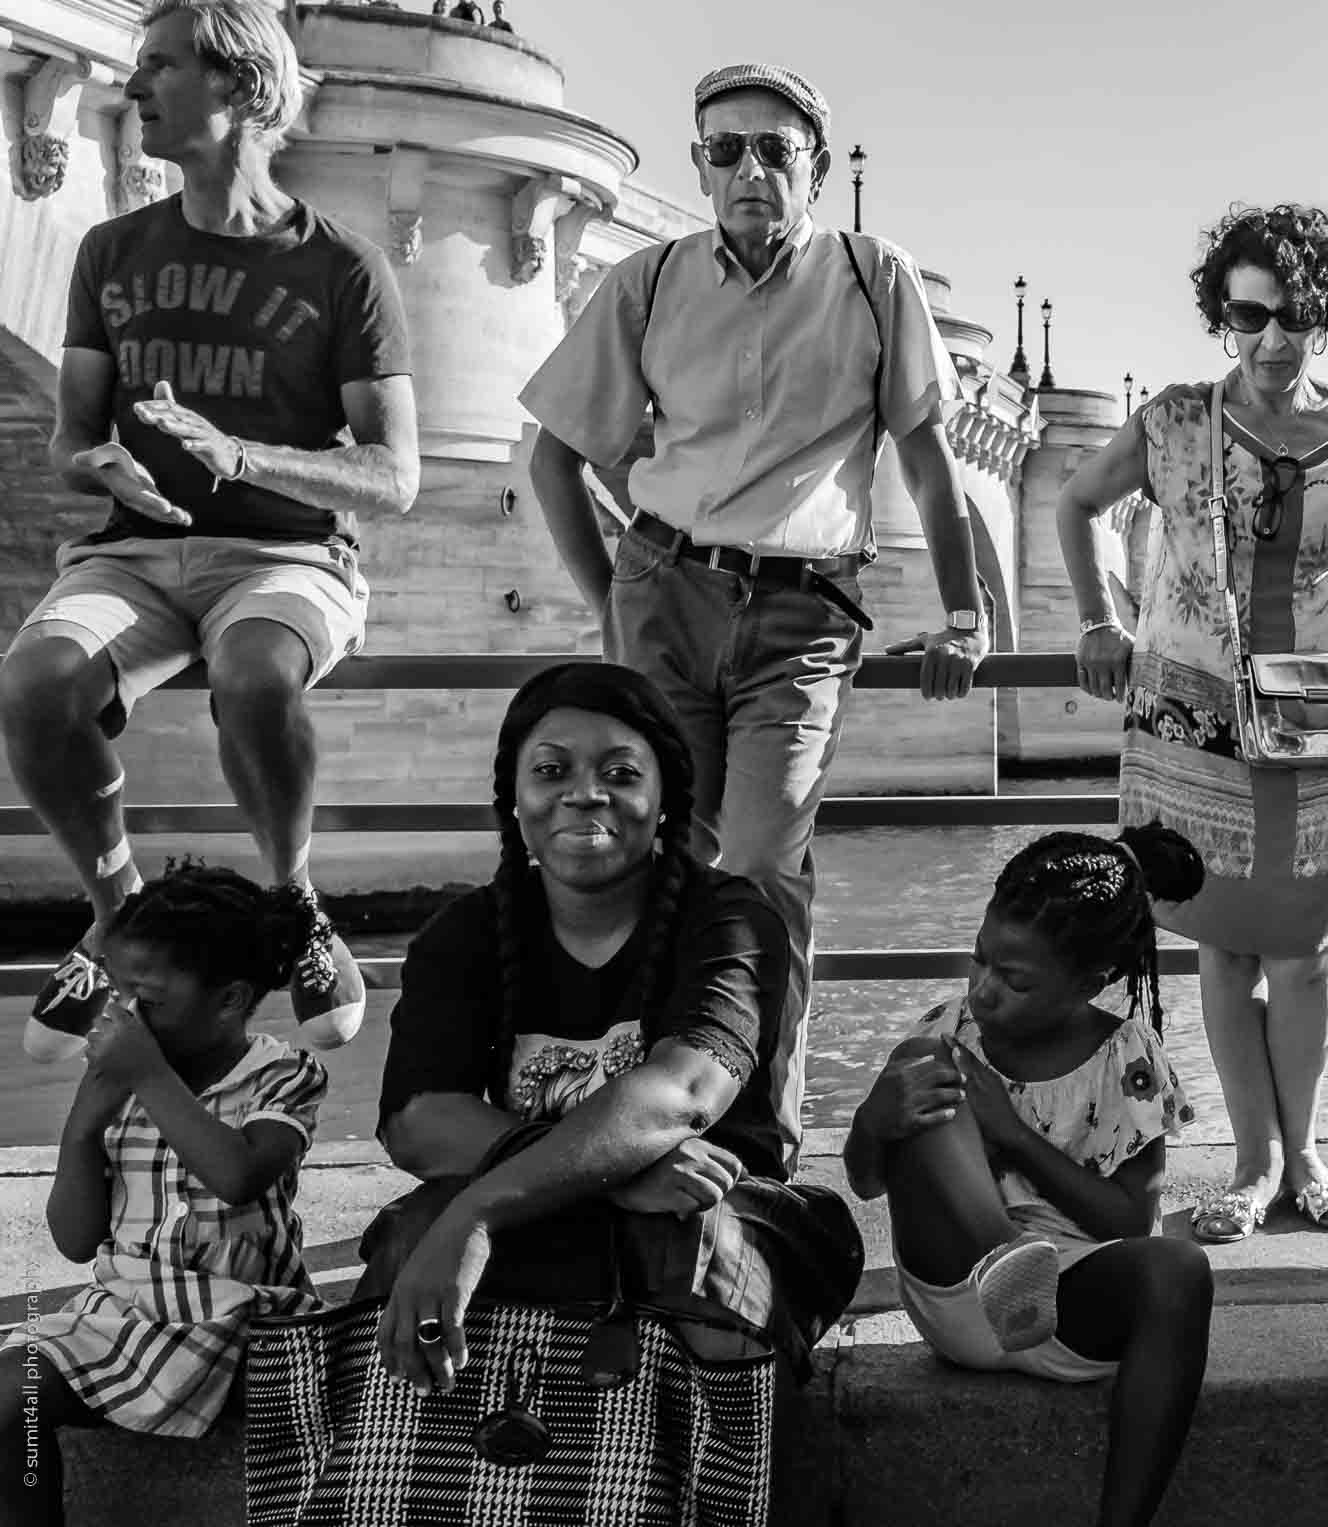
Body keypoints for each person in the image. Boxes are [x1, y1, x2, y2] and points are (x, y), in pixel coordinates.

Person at [519, 61, 989, 1164]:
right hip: (662, 587)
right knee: (661, 857)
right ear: (696, 166)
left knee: (764, 854)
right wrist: (611, 607)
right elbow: (556, 459)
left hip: (801, 608)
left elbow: (928, 467)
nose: (748, 170)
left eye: (774, 150)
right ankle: (659, 1113)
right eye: (722, 150)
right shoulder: (644, 281)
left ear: (813, 168)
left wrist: (965, 613)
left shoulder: (873, 279)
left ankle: (762, 1127)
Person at [0, 0, 420, 1066]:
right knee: (32, 686)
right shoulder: (108, 249)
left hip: (287, 556)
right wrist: (94, 463)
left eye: (159, 66)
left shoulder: (344, 269)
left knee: (255, 675)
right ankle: (119, 912)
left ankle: (293, 903)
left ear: (241, 89)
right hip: (131, 558)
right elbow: (70, 438)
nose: (135, 88)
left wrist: (242, 457)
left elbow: (395, 476)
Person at [1060, 202, 1328, 1242]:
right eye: (1246, 316)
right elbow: (1072, 504)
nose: (1268, 340)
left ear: (1324, 316)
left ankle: (1301, 1157)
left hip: (1324, 718)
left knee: (1304, 953)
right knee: (1219, 945)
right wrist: (1095, 617)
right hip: (1190, 717)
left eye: (1292, 317)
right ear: (1222, 314)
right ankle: (1252, 1162)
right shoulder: (1170, 420)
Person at [364, 662, 860, 1406]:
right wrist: (618, 1174)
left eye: (621, 772)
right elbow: (416, 1120)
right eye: (552, 769)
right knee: (408, 1243)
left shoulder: (730, 919)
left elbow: (681, 1096)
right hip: (556, 1200)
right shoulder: (462, 932)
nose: (585, 792)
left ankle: (727, 1485)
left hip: (704, 1208)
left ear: (664, 801)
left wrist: (478, 1207)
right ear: (517, 799)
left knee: (696, 1256)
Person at [842, 824, 1211, 1527]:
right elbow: (865, 1180)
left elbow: (1132, 1222)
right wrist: (872, 1119)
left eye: (1013, 979)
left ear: (1091, 982)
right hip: (961, 1283)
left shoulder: (1126, 1056)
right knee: (928, 1064)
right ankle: (1006, 1257)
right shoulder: (951, 1030)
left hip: (1070, 1303)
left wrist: (1013, 1136)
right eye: (979, 960)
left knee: (1182, 1269)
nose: (983, 990)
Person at [0, 865, 327, 1526]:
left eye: (147, 998)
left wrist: (146, 1073)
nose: (124, 1015)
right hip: (127, 1314)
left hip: (247, 1320)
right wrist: (84, 1122)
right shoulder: (120, 1077)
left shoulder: (283, 1075)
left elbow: (237, 1174)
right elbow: (73, 1238)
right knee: (12, 1391)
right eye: (117, 992)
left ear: (231, 999)